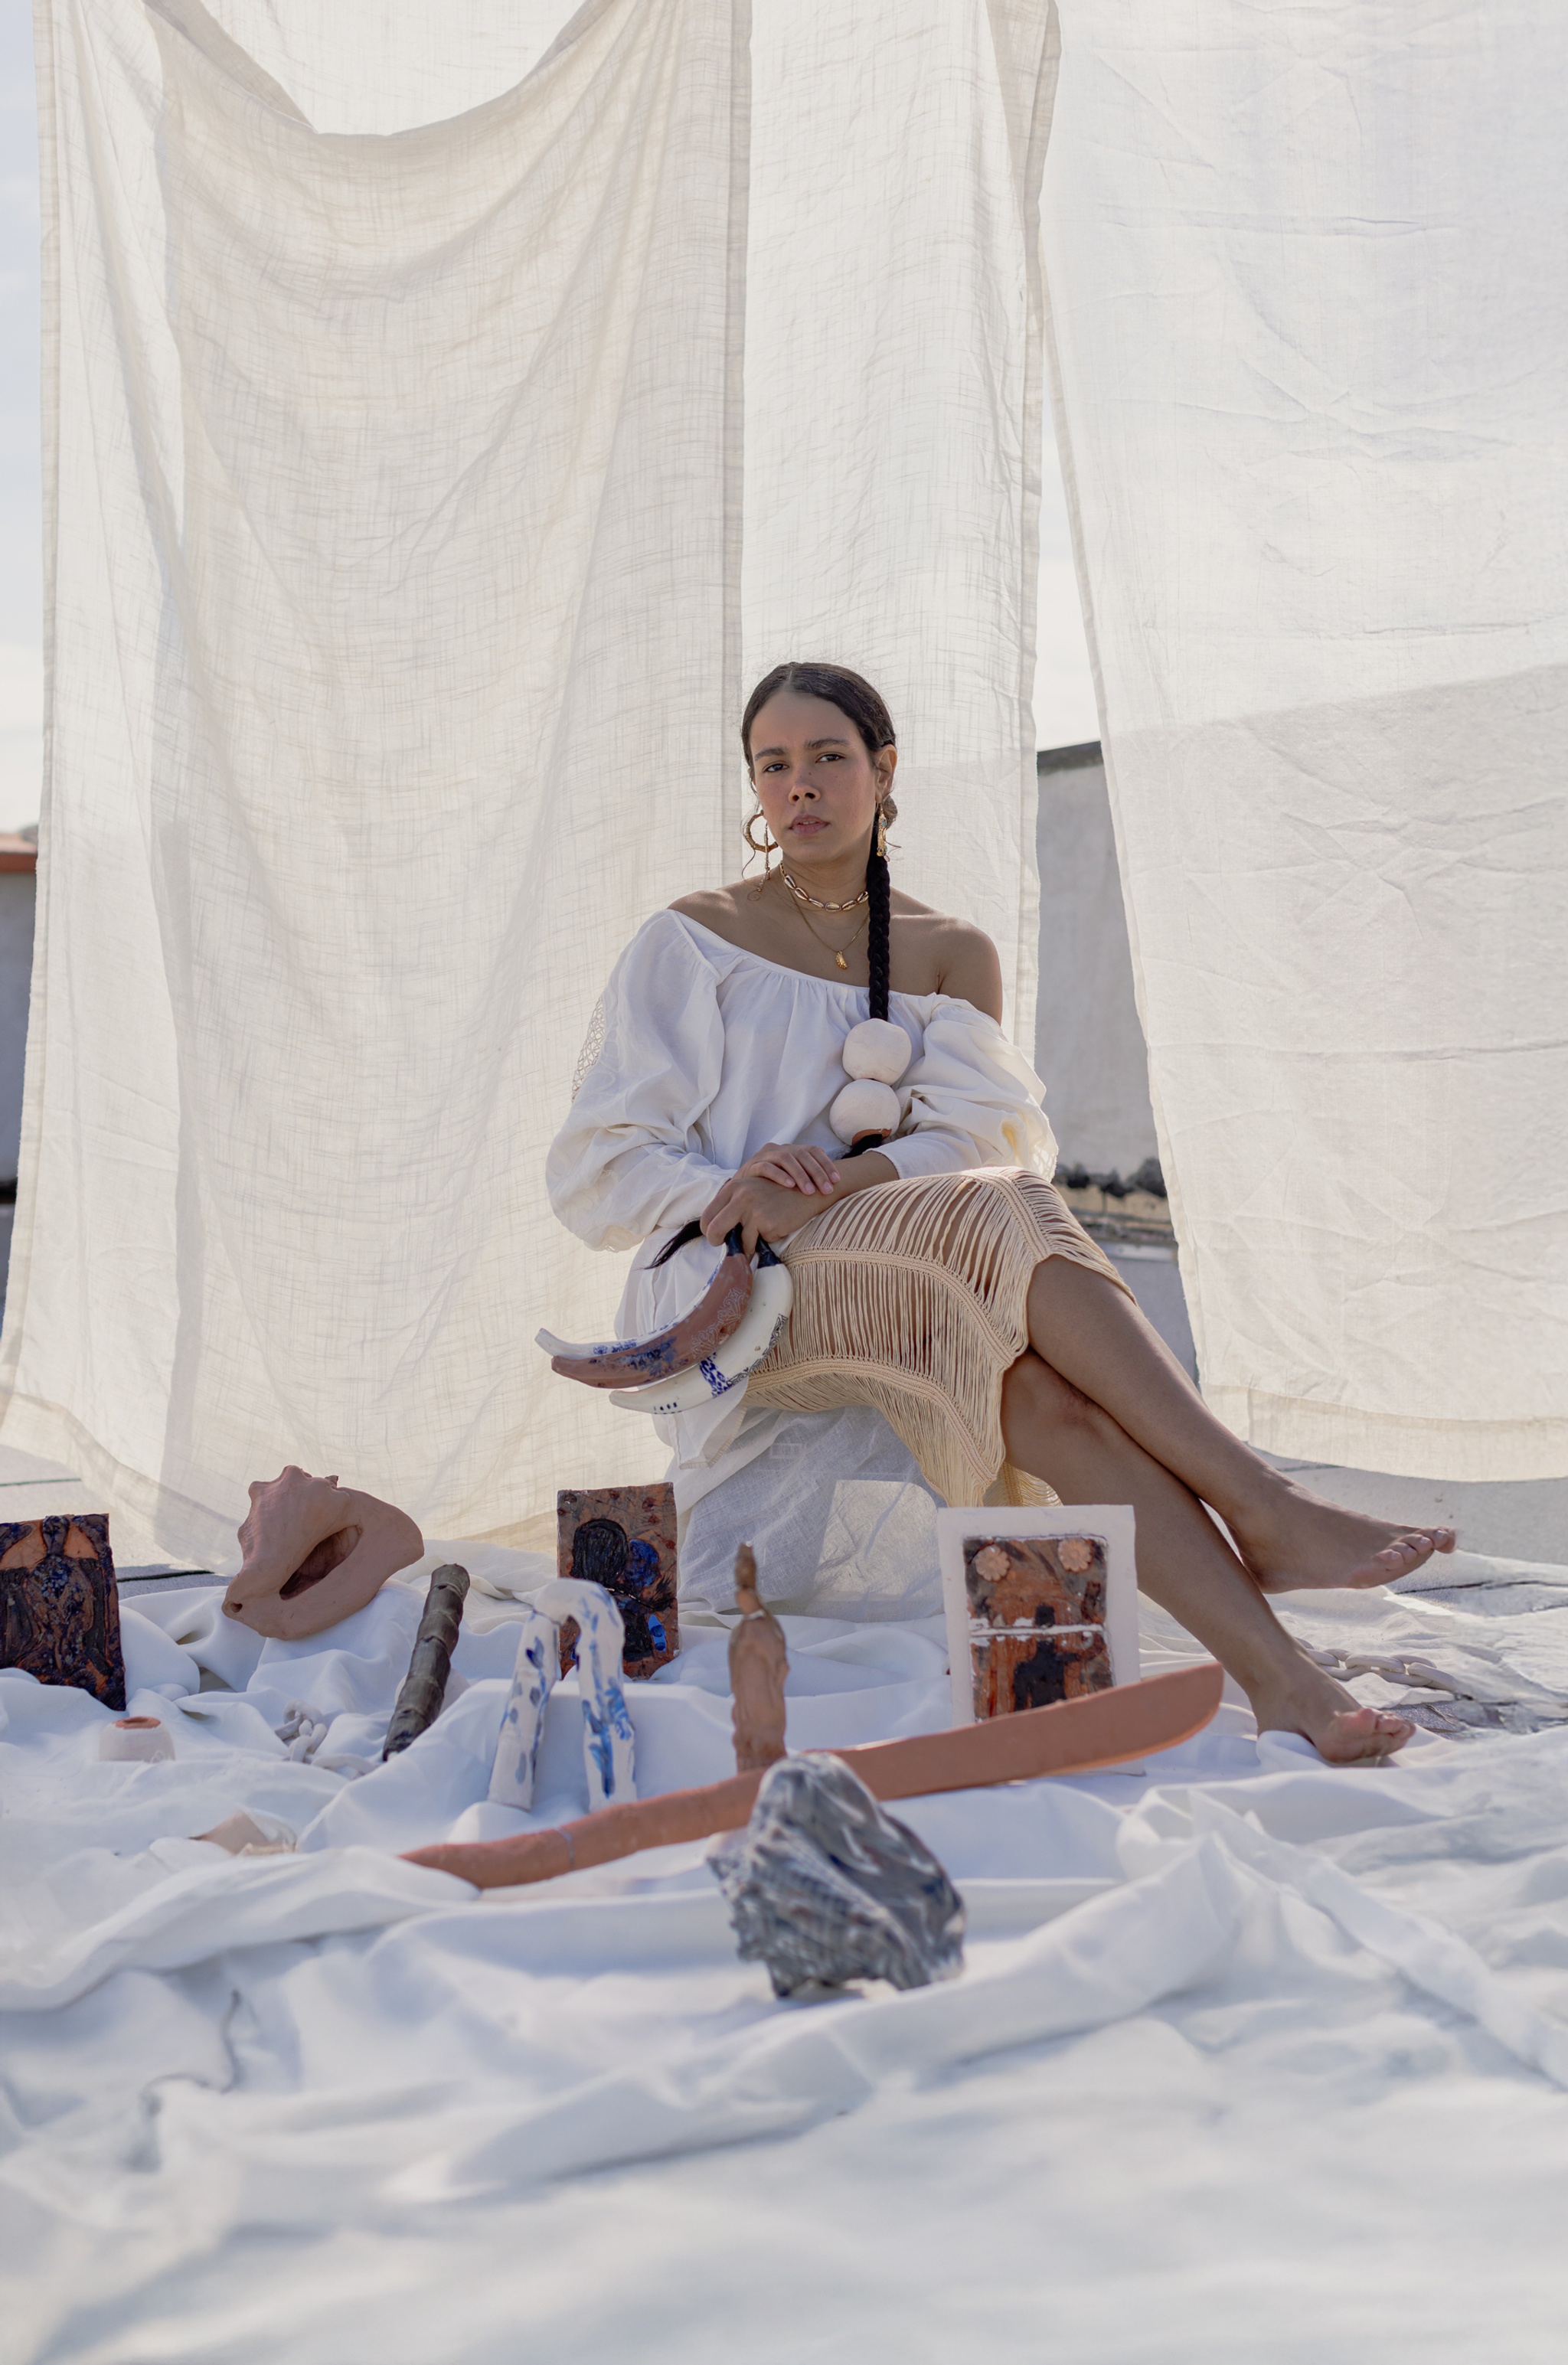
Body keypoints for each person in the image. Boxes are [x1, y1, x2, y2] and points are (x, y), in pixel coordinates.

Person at [548, 661, 1455, 1762]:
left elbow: (980, 1135)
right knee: (1012, 1209)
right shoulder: (692, 940)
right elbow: (598, 1162)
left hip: (909, 1274)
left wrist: (837, 1184)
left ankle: (1286, 1683)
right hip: (730, 1285)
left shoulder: (947, 951)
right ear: (753, 786)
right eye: (773, 764)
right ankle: (1256, 1495)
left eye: (828, 757)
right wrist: (741, 1188)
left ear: (883, 771)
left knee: (1037, 1393)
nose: (801, 787)